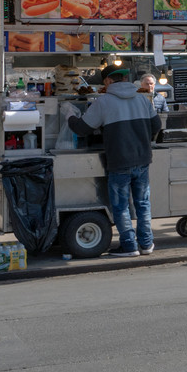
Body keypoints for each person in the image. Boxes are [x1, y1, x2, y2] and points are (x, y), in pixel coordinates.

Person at [66, 62, 161, 257]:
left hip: (119, 162)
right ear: (125, 79)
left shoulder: (103, 102)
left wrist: (69, 115)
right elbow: (156, 126)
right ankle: (146, 244)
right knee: (143, 204)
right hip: (142, 159)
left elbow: (82, 129)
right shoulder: (142, 99)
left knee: (121, 206)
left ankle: (129, 246)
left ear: (108, 81)